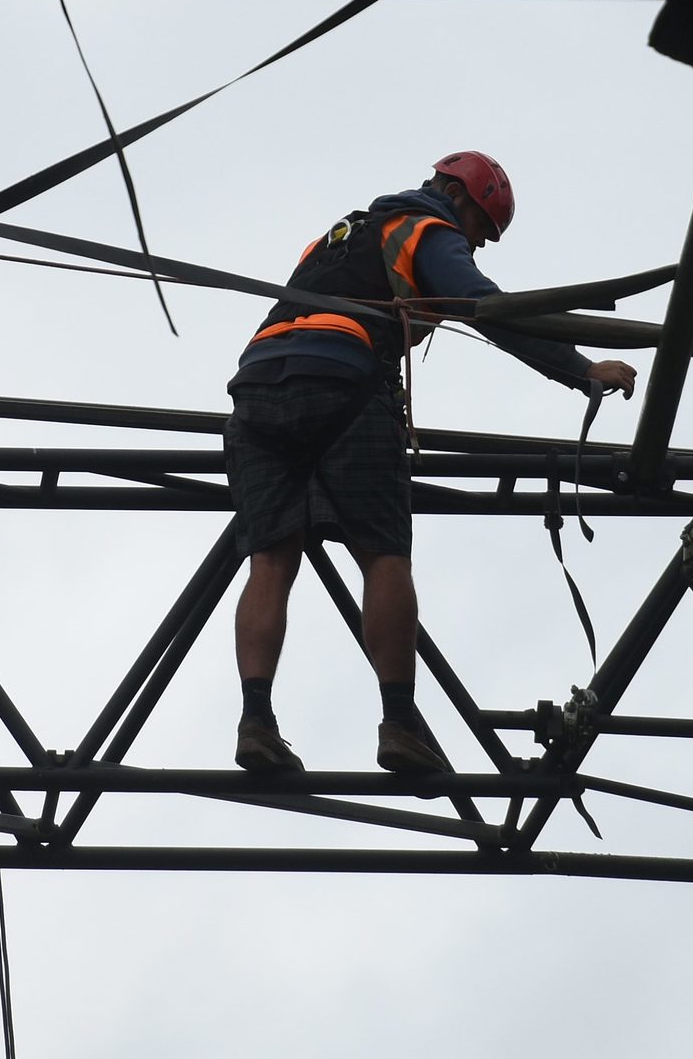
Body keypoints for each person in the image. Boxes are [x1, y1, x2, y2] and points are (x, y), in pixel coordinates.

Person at [226, 150, 636, 778]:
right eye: (479, 226)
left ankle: (255, 721)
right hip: (344, 379)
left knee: (271, 559)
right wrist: (580, 369)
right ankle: (399, 724)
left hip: (255, 387)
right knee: (383, 554)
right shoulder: (424, 229)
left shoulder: (336, 238)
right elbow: (487, 307)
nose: (475, 242)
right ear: (456, 194)